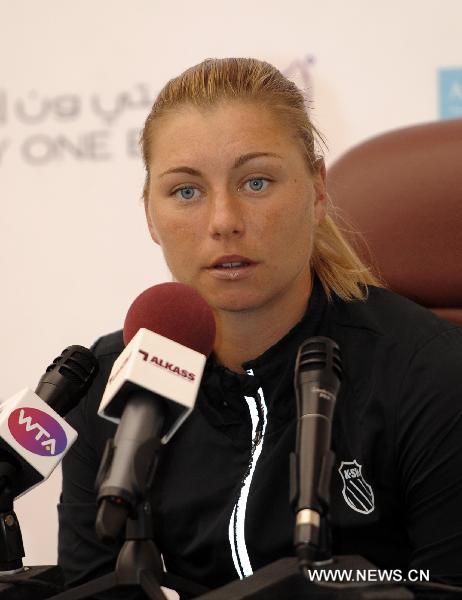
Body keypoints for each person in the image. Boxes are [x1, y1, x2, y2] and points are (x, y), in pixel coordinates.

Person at [58, 57, 462, 598]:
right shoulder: (113, 386)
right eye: (185, 191)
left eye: (256, 181)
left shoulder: (431, 373)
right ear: (150, 215)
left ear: (318, 190)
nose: (223, 220)